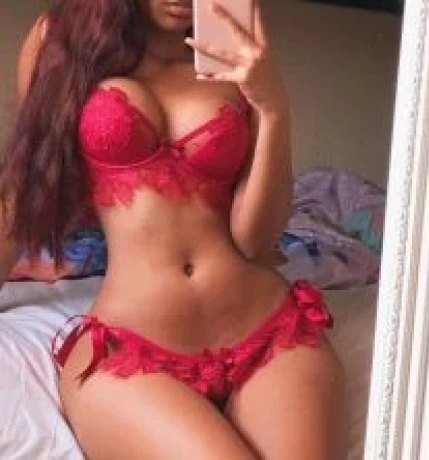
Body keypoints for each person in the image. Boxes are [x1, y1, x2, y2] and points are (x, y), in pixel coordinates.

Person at [0, 0, 347, 458]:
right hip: (135, 349)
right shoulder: (61, 37)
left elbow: (254, 240)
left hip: (267, 332)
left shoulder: (234, 48)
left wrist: (272, 106)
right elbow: (24, 188)